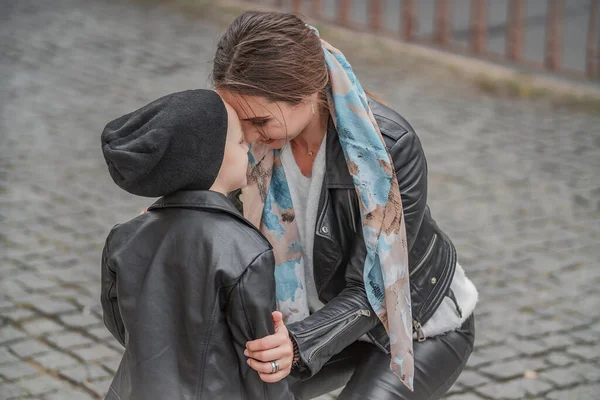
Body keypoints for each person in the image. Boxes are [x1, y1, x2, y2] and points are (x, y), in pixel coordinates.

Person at [212, 11, 479, 400]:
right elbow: (213, 207)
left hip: (417, 322)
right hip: (321, 317)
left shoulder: (390, 148)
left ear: (305, 94)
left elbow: (376, 286)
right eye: (239, 120)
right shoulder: (256, 141)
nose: (247, 137)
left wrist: (299, 344)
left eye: (260, 121)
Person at [99, 89, 294, 400]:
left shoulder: (124, 237)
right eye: (240, 142)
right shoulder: (245, 248)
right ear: (208, 157)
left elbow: (121, 325)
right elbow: (260, 358)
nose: (248, 151)